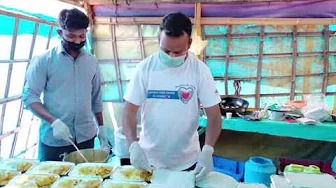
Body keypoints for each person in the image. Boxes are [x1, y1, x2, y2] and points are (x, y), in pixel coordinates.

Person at [122, 12, 222, 180]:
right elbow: (129, 111)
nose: (171, 56)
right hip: (149, 160)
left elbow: (214, 116)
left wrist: (208, 150)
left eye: (177, 52)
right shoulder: (145, 68)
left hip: (188, 162)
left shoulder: (199, 70)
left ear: (189, 43)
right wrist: (132, 145)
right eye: (165, 50)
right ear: (158, 39)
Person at [22, 8, 108, 161]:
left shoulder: (92, 62)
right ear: (60, 33)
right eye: (71, 36)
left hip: (86, 138)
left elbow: (96, 99)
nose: (77, 41)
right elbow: (29, 98)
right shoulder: (44, 61)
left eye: (81, 36)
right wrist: (54, 122)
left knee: (87, 180)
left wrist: (101, 128)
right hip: (55, 140)